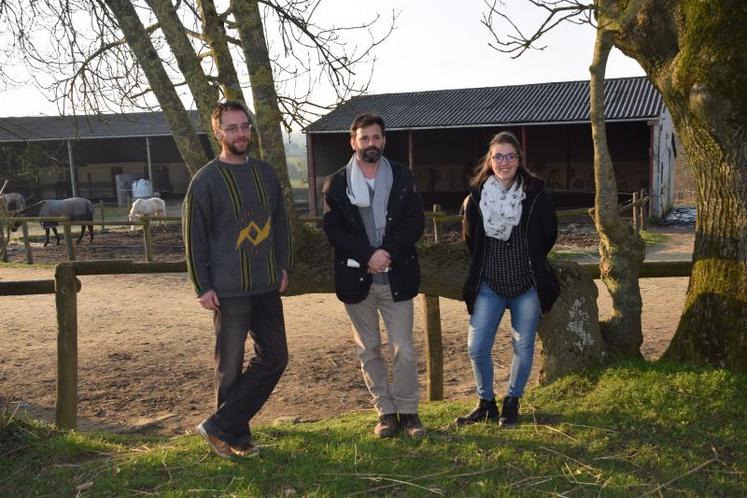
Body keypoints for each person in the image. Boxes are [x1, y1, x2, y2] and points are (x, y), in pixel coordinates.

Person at [183, 100, 293, 458]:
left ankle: (218, 426)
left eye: (244, 126)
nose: (241, 133)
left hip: (265, 285)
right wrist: (202, 284)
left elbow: (280, 224)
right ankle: (236, 438)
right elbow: (194, 237)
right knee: (228, 368)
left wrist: (283, 266)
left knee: (275, 357)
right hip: (227, 290)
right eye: (232, 128)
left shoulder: (265, 173)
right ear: (218, 132)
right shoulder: (206, 180)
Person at [322, 114, 426, 438]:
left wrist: (387, 252)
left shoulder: (402, 176)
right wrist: (367, 254)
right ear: (353, 142)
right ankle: (386, 413)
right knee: (368, 349)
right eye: (364, 138)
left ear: (384, 140)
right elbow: (334, 229)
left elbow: (414, 221)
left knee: (403, 350)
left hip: (397, 276)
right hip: (358, 279)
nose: (371, 143)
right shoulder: (336, 184)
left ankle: (409, 412)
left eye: (377, 137)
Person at [456, 131, 559, 427]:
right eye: (498, 156)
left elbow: (548, 233)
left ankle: (512, 402)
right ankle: (486, 402)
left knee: (523, 346)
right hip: (489, 284)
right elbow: (471, 239)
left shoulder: (536, 192)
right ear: (490, 160)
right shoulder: (476, 196)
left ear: (519, 159)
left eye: (510, 156)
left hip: (526, 284)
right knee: (476, 347)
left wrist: (531, 261)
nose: (504, 162)